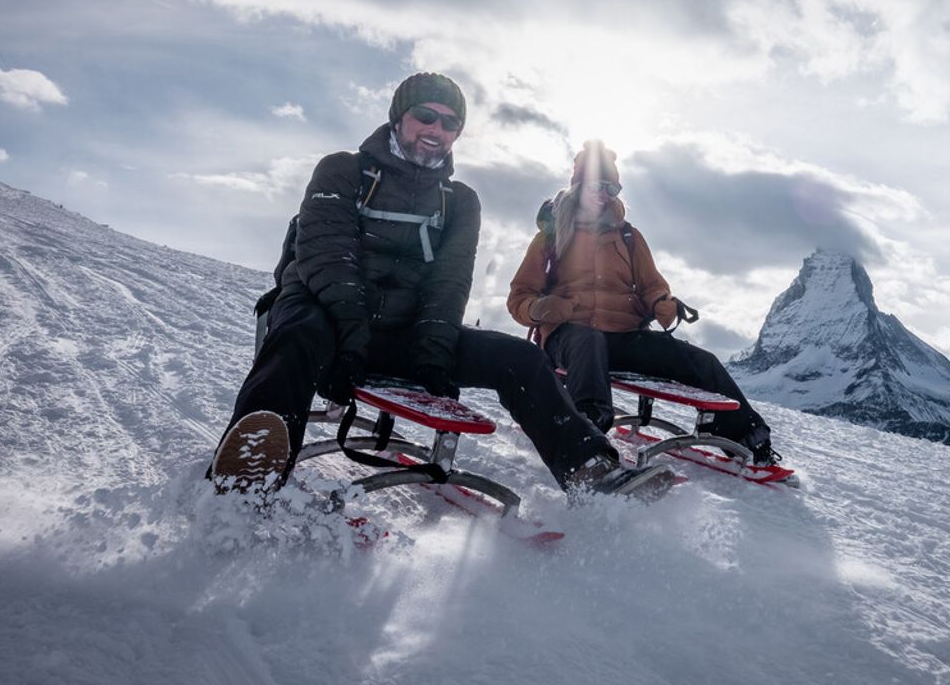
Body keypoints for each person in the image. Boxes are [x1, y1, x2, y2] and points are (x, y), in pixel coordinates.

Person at [209, 74, 674, 500]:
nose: (437, 128)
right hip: (329, 326)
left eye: (450, 122)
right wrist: (350, 337)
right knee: (296, 331)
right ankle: (251, 469)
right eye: (425, 115)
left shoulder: (460, 202)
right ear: (399, 117)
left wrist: (432, 352)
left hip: (402, 336)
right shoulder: (342, 172)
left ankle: (590, 470)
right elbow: (325, 258)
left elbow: (448, 284)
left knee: (521, 358)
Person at [507, 141, 778, 464]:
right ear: (578, 185)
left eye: (612, 186)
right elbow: (520, 297)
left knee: (702, 362)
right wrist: (540, 308)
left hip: (622, 335)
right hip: (568, 335)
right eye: (598, 184)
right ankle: (585, 438)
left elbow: (652, 285)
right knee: (588, 341)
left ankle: (751, 441)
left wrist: (663, 303)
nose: (605, 193)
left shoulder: (628, 236)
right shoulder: (551, 237)